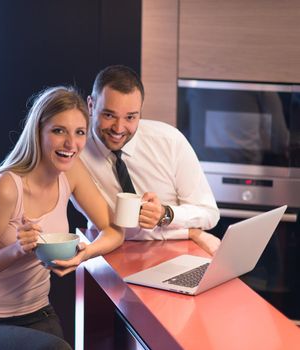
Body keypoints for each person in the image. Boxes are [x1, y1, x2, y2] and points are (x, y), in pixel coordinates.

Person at [0, 86, 124, 350]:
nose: (71, 144)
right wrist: (18, 249)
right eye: (58, 131)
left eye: (79, 133)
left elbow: (113, 231)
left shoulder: (72, 172)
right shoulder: (7, 187)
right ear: (38, 131)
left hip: (37, 313)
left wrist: (83, 254)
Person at [71, 65, 221, 255]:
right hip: (106, 253)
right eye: (109, 115)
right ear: (91, 106)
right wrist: (192, 232)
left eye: (130, 117)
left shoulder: (170, 141)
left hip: (173, 251)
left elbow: (209, 214)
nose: (119, 128)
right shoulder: (74, 149)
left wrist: (165, 214)